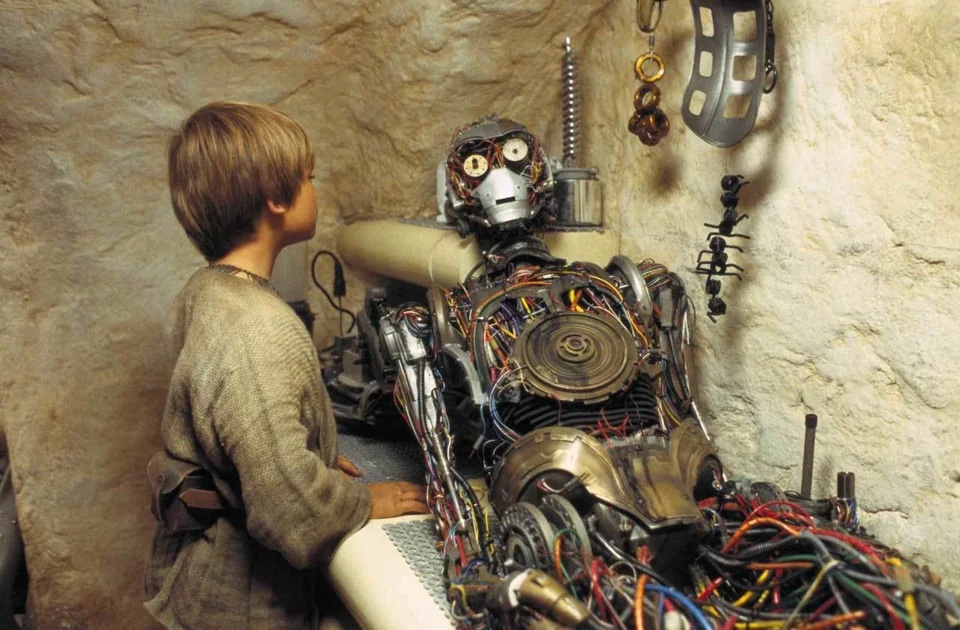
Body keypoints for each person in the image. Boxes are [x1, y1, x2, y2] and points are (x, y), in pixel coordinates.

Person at [144, 101, 429, 629]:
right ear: (276, 199)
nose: (315, 189)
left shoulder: (205, 291)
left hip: (198, 587)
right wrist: (361, 501)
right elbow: (289, 509)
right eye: (308, 177)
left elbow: (235, 433)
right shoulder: (257, 327)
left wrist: (308, 453)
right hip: (240, 607)